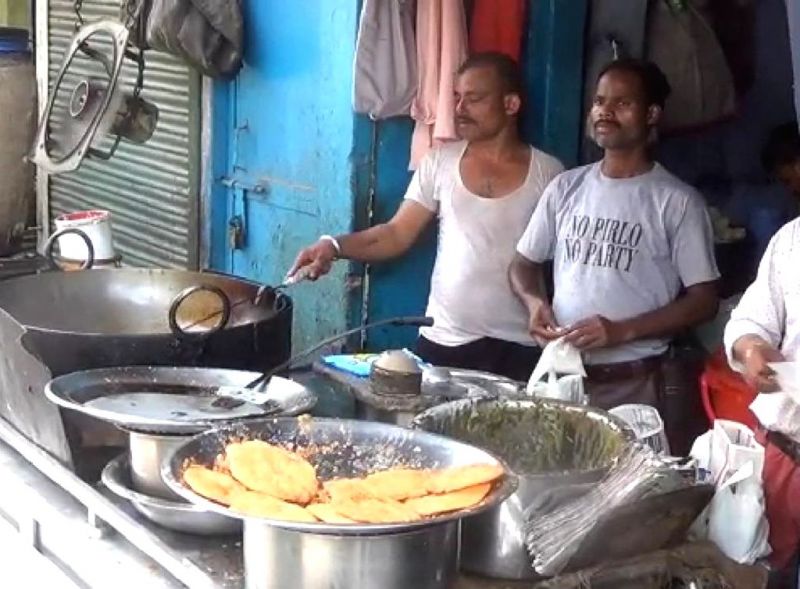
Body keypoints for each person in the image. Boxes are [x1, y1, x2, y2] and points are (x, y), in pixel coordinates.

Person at [287, 52, 563, 381]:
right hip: (445, 340)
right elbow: (394, 234)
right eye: (457, 98)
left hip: (521, 344)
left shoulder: (549, 173)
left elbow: (564, 262)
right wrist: (332, 245)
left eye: (474, 99)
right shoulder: (439, 163)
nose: (459, 110)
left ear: (511, 104)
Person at [509, 59, 719, 453]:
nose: (604, 111)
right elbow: (523, 263)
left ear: (651, 114)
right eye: (599, 101)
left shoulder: (676, 202)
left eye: (622, 103)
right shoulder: (565, 188)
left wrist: (621, 331)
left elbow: (703, 301)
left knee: (629, 500)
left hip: (636, 384)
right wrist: (534, 302)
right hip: (564, 378)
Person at [724, 217, 800, 586]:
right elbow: (749, 320)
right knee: (765, 575)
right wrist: (753, 348)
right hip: (785, 454)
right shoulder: (793, 238)